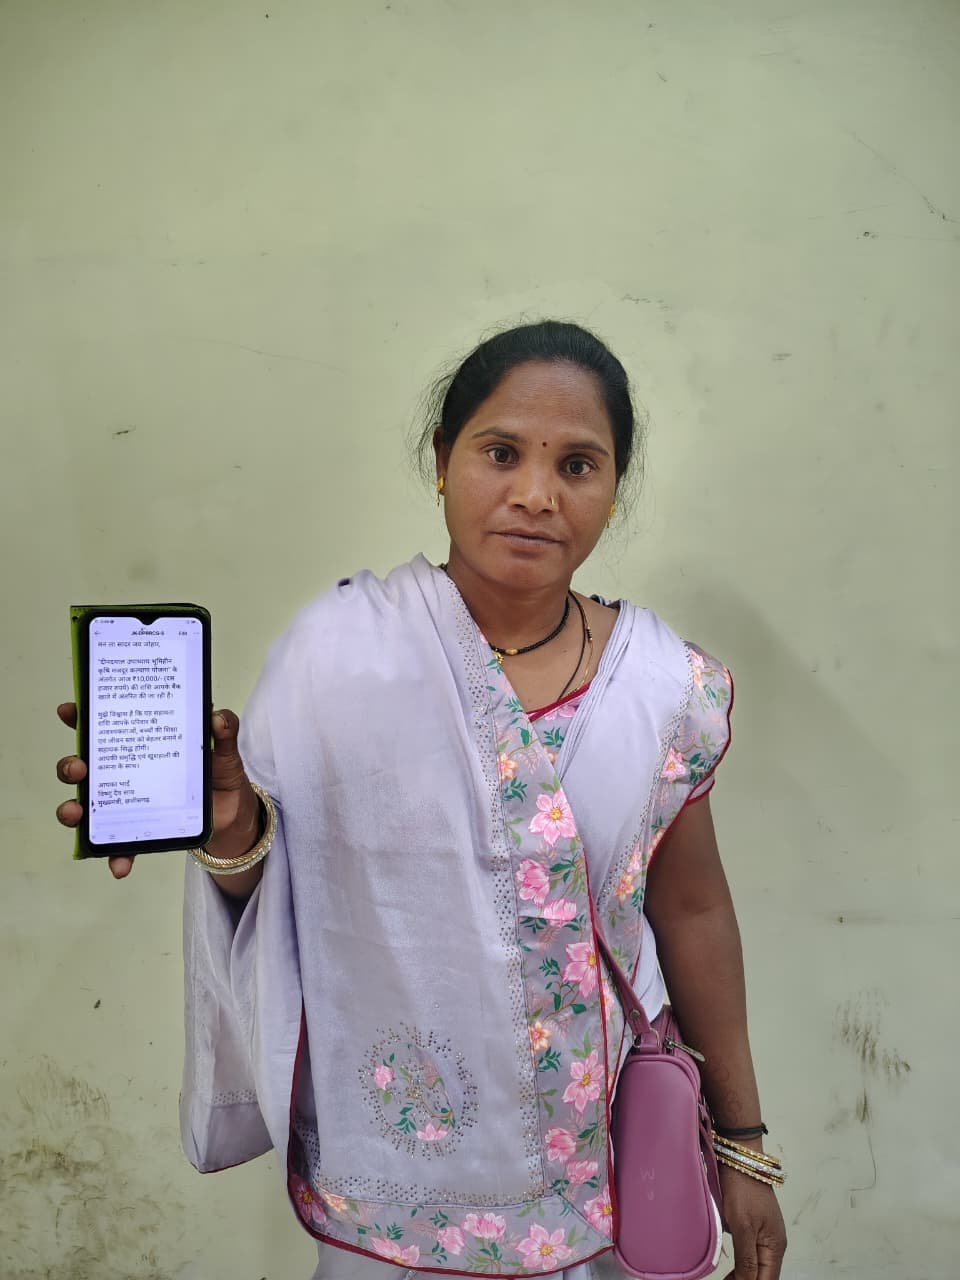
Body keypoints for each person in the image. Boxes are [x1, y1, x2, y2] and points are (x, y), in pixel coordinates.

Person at [56, 321, 787, 1280]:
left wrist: (741, 1143)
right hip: (402, 1199)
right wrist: (229, 828)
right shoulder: (336, 656)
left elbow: (689, 910)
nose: (536, 494)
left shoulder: (661, 689)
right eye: (500, 453)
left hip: (607, 1167)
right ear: (443, 462)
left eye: (577, 464)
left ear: (614, 490)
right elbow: (277, 896)